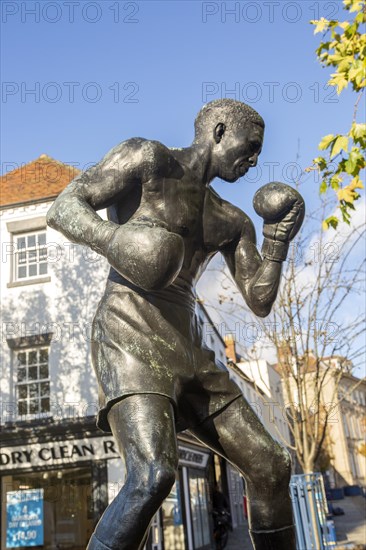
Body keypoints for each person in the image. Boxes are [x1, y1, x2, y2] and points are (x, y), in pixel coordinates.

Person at [47, 99, 304, 550]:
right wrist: (115, 240)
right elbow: (66, 206)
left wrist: (277, 240)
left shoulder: (232, 220)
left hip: (190, 347)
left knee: (272, 465)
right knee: (153, 474)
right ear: (220, 130)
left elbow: (260, 299)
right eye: (251, 146)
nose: (255, 160)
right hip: (129, 330)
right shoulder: (148, 158)